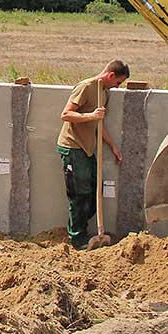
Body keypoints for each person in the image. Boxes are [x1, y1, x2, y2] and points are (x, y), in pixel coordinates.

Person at [57, 60, 129, 249]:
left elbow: (99, 124)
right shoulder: (86, 87)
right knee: (79, 194)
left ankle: (81, 229)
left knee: (93, 191)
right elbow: (65, 114)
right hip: (72, 146)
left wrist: (112, 145)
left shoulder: (104, 93)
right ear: (111, 75)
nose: (117, 86)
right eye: (118, 82)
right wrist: (90, 116)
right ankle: (77, 239)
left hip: (88, 148)